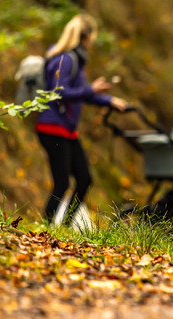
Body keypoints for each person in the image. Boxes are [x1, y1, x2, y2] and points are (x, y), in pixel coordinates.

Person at [36, 13, 127, 225]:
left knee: (84, 179)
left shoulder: (73, 59)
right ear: (85, 37)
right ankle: (45, 228)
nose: (91, 44)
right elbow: (58, 92)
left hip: (65, 129)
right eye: (91, 40)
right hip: (52, 127)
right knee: (62, 183)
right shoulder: (65, 59)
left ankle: (64, 225)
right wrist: (90, 89)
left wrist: (108, 100)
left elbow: (82, 93)